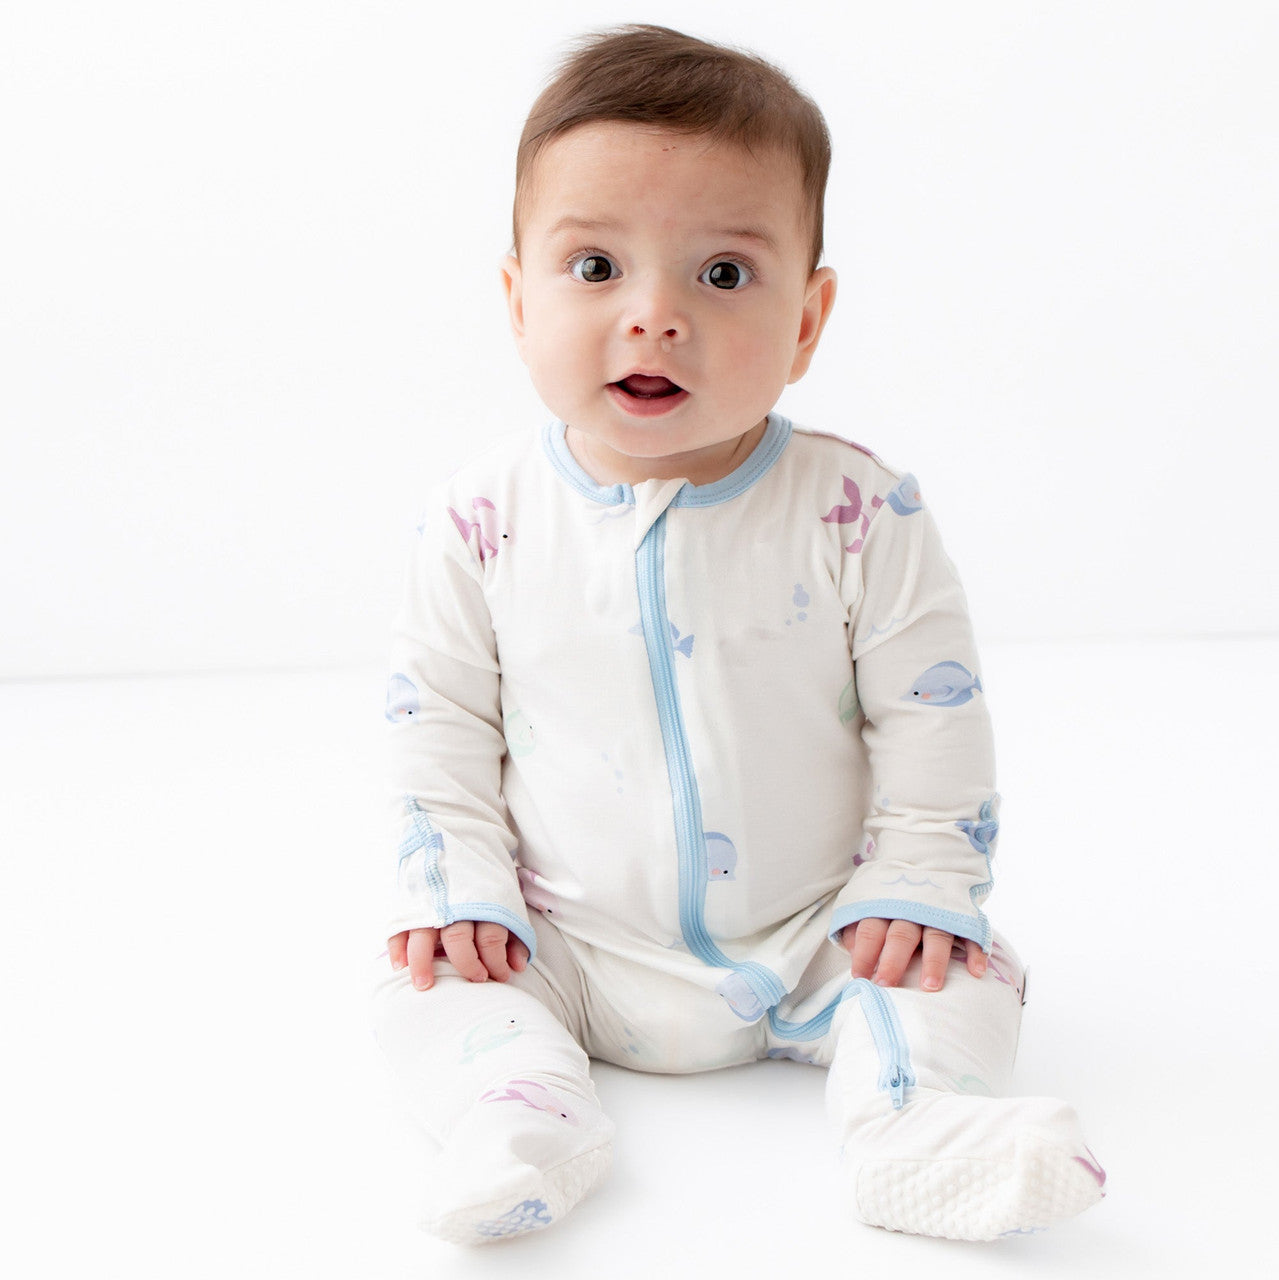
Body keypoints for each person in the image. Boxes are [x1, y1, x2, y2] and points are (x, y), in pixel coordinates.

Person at [370, 23, 1106, 1245]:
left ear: (808, 320)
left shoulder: (860, 511)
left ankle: (911, 1124)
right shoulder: (479, 520)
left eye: (721, 274)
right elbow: (436, 718)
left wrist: (919, 882)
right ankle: (517, 1114)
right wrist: (459, 886)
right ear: (517, 299)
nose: (654, 316)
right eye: (595, 266)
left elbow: (932, 713)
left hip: (819, 927)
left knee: (963, 970)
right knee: (422, 978)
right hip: (563, 934)